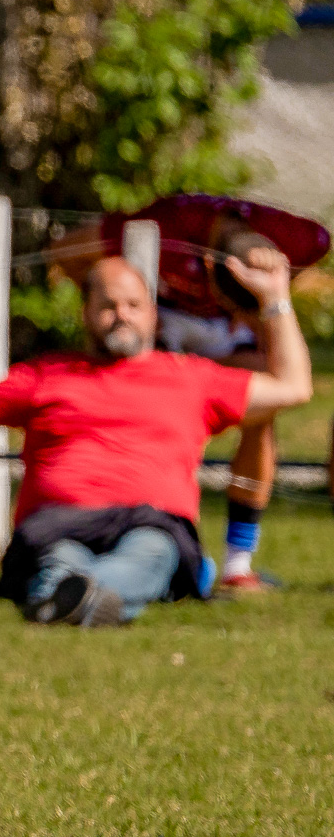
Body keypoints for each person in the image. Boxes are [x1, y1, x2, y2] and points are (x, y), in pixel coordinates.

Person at [0, 252, 311, 624]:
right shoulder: (48, 374)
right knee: (59, 556)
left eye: (133, 305)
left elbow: (294, 387)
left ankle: (65, 599)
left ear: (153, 314)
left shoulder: (192, 377)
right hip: (58, 522)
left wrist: (274, 297)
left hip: (151, 522)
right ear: (86, 313)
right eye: (108, 306)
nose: (122, 315)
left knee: (151, 554)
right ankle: (85, 598)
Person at [54, 196, 329, 593]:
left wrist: (262, 302)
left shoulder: (303, 237)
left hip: (231, 339)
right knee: (147, 411)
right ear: (208, 267)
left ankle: (237, 563)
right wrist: (111, 307)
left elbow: (293, 387)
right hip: (162, 324)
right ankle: (137, 533)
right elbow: (64, 250)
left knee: (265, 406)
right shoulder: (171, 221)